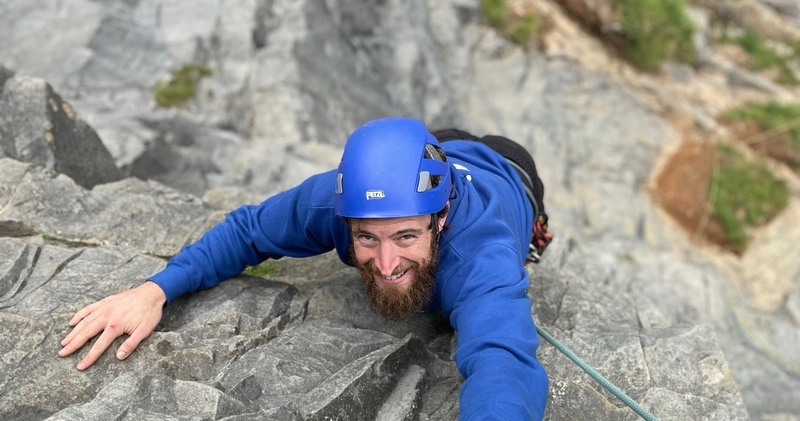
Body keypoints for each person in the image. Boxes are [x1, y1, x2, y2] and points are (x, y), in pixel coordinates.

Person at [58, 117, 553, 420]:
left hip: (512, 172)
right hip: (437, 146)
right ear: (348, 219)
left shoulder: (481, 256)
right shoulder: (337, 201)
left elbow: (502, 360)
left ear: (439, 218)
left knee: (502, 163)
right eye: (366, 238)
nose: (385, 264)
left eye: (406, 237)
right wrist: (155, 290)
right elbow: (247, 231)